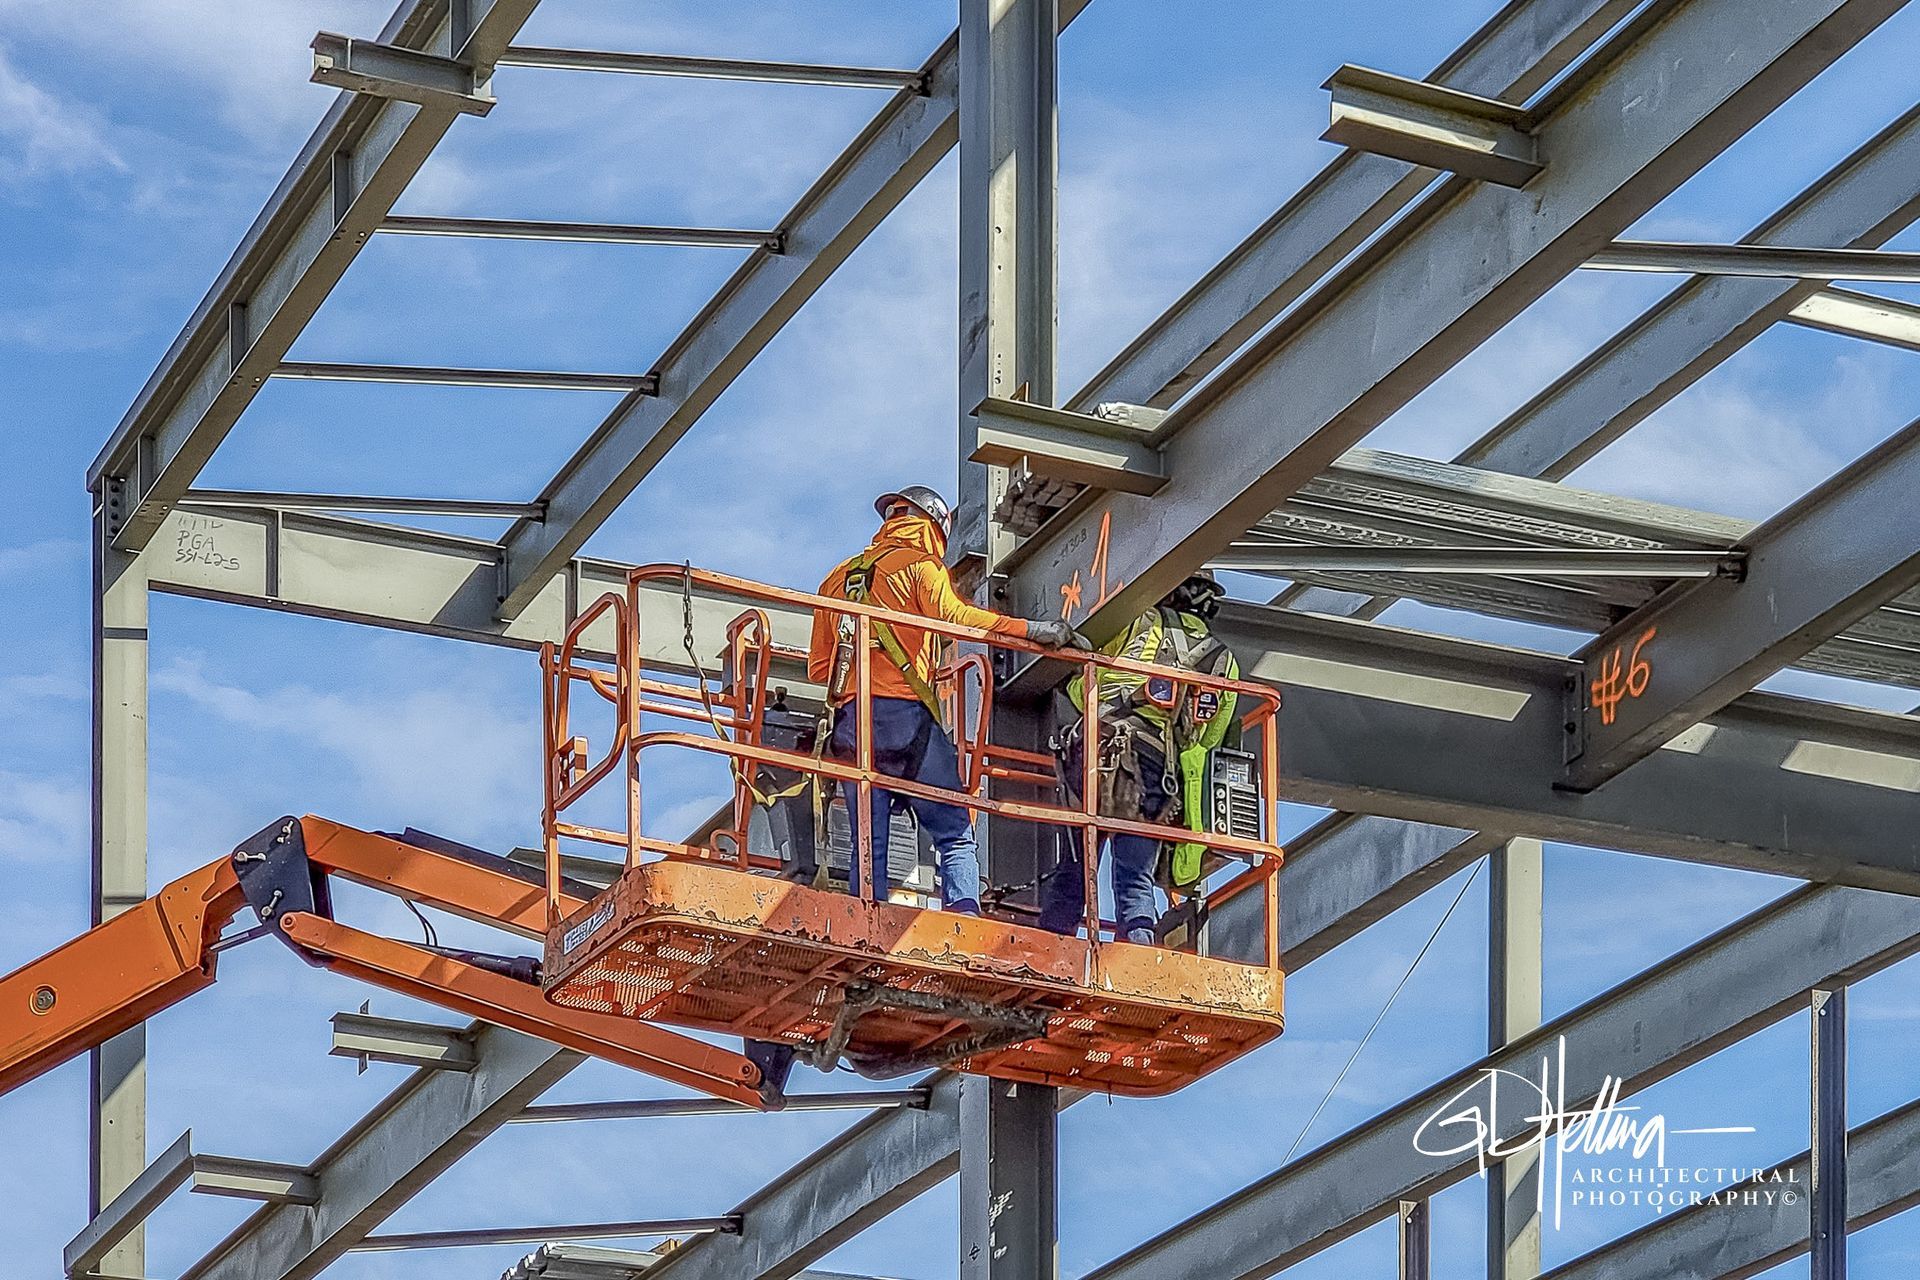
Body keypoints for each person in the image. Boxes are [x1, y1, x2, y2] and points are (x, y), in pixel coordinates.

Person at [807, 485, 1080, 911]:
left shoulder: (835, 578)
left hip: (851, 725)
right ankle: (964, 918)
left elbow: (820, 670)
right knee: (954, 832)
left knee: (868, 839)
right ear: (934, 526)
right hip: (906, 722)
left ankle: (866, 922)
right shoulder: (920, 565)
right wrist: (1031, 630)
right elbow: (952, 617)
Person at [1037, 570, 1240, 944]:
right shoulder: (1223, 662)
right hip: (1153, 769)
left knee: (1076, 867)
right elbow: (1208, 740)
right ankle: (1138, 953)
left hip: (1096, 755)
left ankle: (1050, 950)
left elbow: (1086, 691)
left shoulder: (1135, 624)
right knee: (1134, 876)